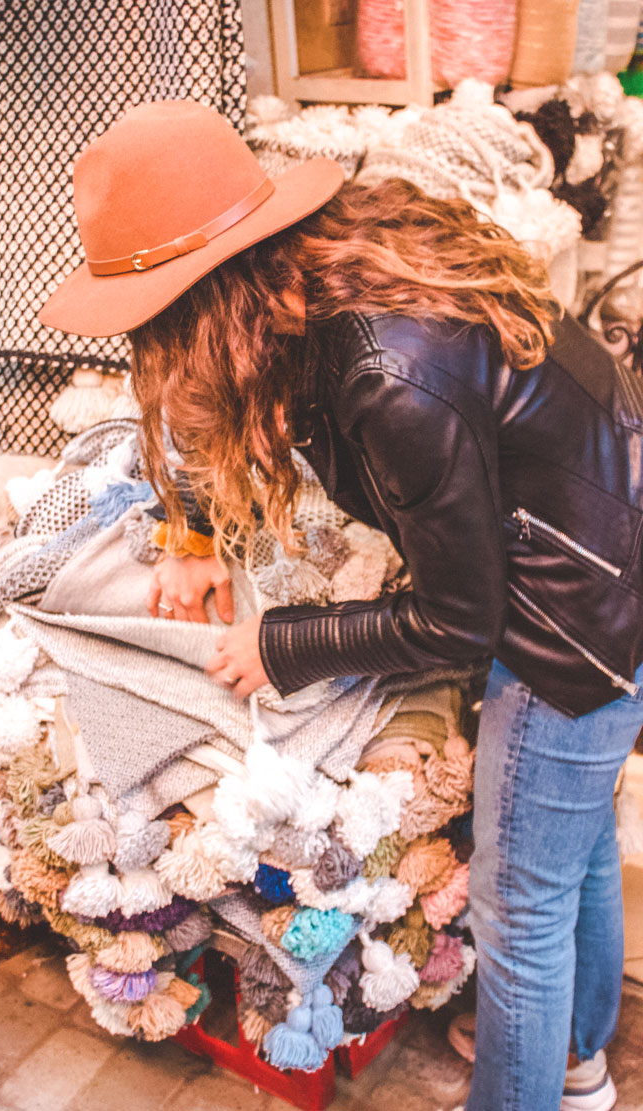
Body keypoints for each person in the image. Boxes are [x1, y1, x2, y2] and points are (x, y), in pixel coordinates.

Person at [39, 99, 643, 1111]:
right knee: (569, 850)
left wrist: (281, 644)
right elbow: (210, 407)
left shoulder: (385, 372)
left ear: (193, 302)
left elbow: (457, 618)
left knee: (516, 908)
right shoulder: (321, 263)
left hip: (576, 612)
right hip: (603, 532)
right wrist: (189, 534)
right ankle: (574, 1061)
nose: (150, 351)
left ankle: (537, 1082)